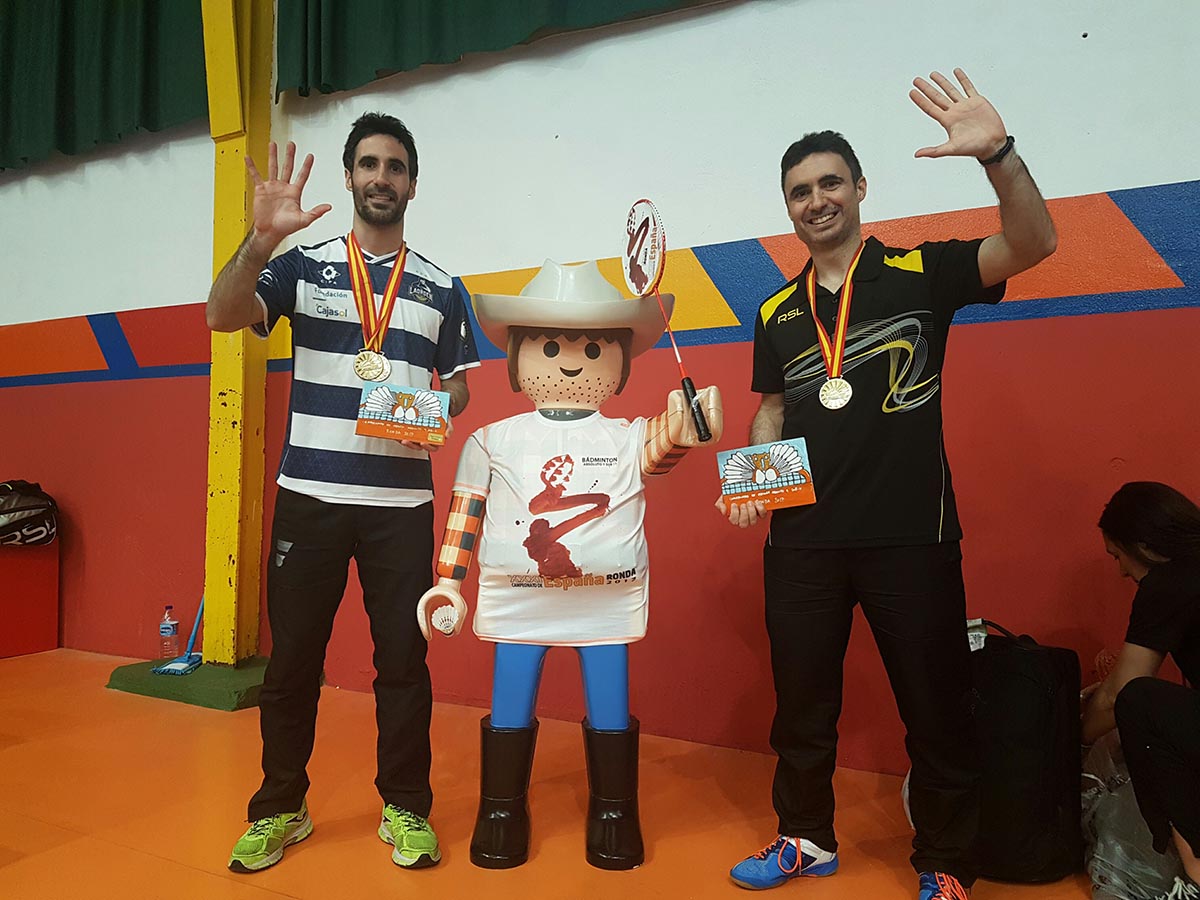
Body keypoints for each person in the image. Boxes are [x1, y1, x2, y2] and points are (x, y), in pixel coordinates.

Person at [718, 69, 1057, 899]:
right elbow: (773, 409)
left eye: (830, 182)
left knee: (938, 713)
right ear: (788, 207)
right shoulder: (774, 312)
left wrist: (1000, 156)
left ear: (861, 188)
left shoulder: (920, 272)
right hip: (801, 544)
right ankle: (805, 838)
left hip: (915, 536)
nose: (816, 200)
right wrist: (755, 479)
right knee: (801, 713)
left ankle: (945, 863)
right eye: (799, 191)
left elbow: (1034, 243)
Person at [206, 112, 480, 873]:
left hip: (402, 510)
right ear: (350, 177)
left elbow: (457, 393)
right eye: (369, 164)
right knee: (292, 662)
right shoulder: (301, 267)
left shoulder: (442, 288)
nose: (381, 177)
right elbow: (221, 315)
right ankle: (280, 809)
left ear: (413, 184)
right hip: (310, 499)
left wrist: (427, 407)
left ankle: (406, 807)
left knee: (403, 665)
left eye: (395, 166)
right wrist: (261, 239)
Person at [414, 259, 722, 871]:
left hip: (605, 600)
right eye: (551, 346)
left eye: (591, 346)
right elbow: (466, 509)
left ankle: (615, 810)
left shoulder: (628, 435)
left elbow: (665, 446)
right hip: (516, 594)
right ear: (520, 358)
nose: (571, 360)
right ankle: (500, 809)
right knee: (511, 701)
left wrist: (691, 424)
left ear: (619, 359)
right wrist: (447, 582)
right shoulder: (492, 440)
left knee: (609, 703)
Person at [1081, 481, 1200, 889]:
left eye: (1119, 557)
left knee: (1140, 702)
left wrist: (1073, 738)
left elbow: (1123, 693)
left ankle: (1197, 870)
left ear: (1144, 546)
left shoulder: (1167, 583)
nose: (1121, 571)